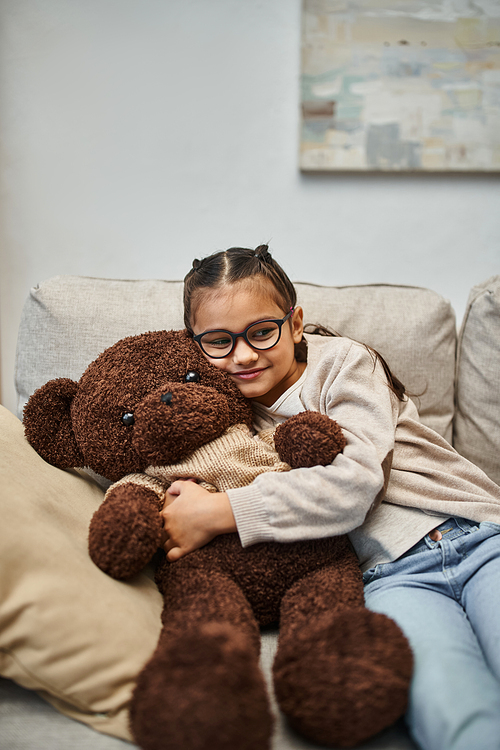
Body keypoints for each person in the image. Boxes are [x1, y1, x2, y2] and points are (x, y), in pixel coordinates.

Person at [160, 244, 500, 750]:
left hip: (478, 537)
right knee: (454, 711)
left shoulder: (341, 364)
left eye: (261, 331)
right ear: (195, 345)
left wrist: (221, 511)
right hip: (391, 577)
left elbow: (356, 484)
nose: (244, 355)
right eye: (218, 341)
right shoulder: (221, 420)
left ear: (295, 322)